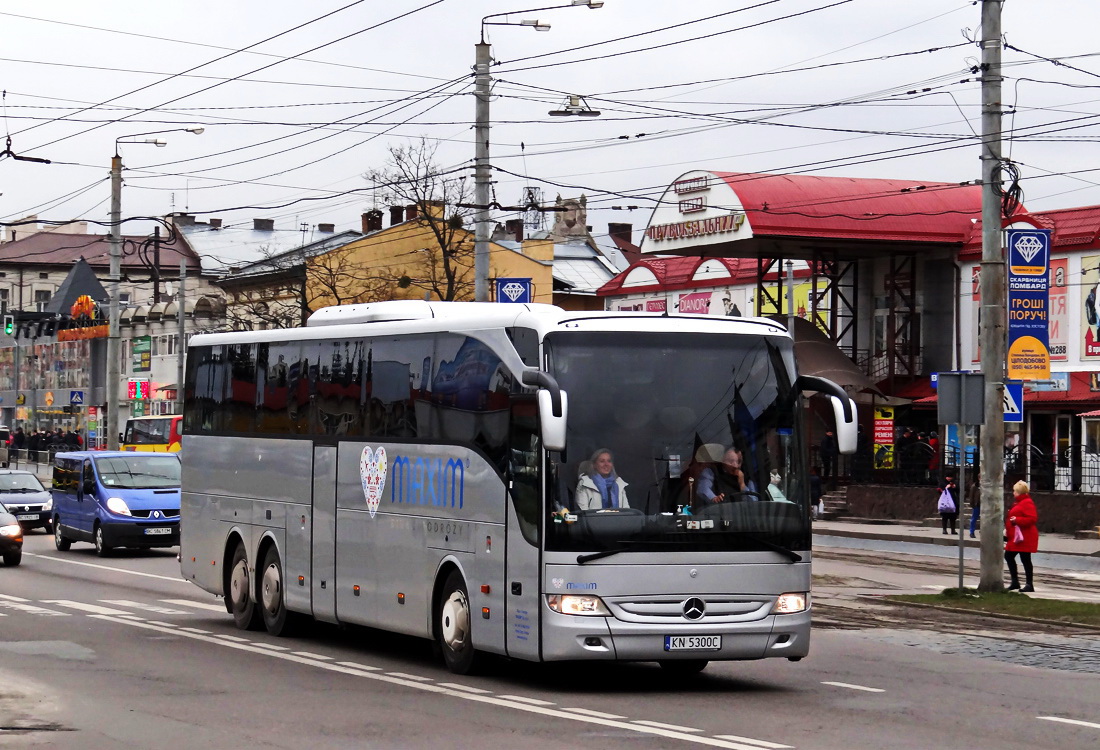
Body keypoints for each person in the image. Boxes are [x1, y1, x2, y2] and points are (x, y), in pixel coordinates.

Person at [1005, 480, 1039, 592]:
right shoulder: (1019, 502)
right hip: (1018, 537)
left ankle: (1029, 584)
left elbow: (1032, 519)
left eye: (1015, 491)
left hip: (1025, 537)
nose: (1013, 493)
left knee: (1025, 559)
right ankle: (1016, 581)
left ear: (1019, 492)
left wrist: (1017, 520)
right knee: (1009, 556)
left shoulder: (1026, 502)